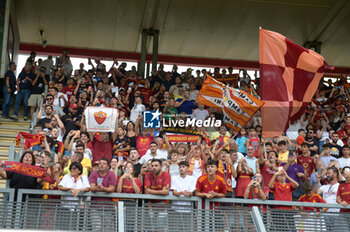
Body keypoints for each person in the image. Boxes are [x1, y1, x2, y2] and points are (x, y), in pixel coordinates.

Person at [57, 162, 90, 230]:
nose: (72, 170)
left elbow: (88, 188)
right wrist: (69, 189)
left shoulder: (83, 177)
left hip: (78, 208)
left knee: (76, 227)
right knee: (65, 227)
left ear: (79, 170)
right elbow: (60, 187)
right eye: (71, 168)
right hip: (65, 208)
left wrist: (79, 190)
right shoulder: (66, 176)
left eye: (74, 168)